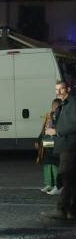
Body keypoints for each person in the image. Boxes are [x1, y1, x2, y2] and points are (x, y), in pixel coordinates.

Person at [46, 80, 75, 219]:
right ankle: (69, 210)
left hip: (70, 146)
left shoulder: (72, 104)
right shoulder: (63, 105)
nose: (58, 92)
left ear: (68, 89)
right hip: (66, 145)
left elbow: (73, 124)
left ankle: (62, 209)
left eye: (61, 89)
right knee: (69, 179)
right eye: (56, 89)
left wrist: (56, 131)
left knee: (65, 177)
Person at [38, 99, 62, 195]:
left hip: (57, 142)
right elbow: (44, 129)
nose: (54, 109)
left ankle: (57, 185)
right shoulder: (49, 116)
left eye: (56, 107)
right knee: (47, 162)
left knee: (55, 164)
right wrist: (38, 140)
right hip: (48, 141)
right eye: (53, 106)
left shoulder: (61, 117)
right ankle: (49, 183)